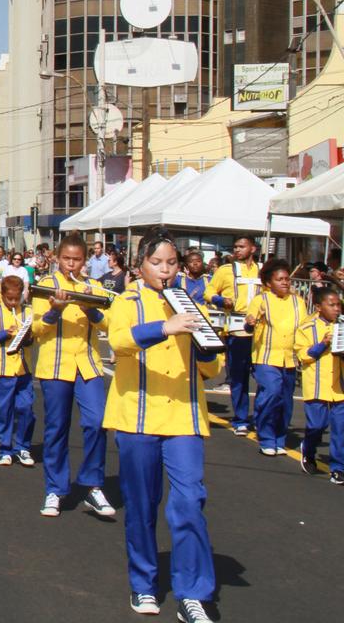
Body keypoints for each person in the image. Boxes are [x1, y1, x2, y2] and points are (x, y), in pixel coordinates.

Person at [103, 228, 220, 622]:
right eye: (157, 263)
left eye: (172, 262)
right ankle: (143, 583)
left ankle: (192, 593)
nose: (166, 270)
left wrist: (207, 341)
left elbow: (212, 368)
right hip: (137, 417)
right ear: (141, 266)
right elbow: (118, 342)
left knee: (189, 502)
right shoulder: (126, 301)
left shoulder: (191, 305)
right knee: (141, 505)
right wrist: (163, 328)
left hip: (185, 416)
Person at [29, 234, 114, 519]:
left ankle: (92, 484)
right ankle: (55, 488)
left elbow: (110, 325)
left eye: (77, 259)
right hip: (55, 364)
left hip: (87, 364)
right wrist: (54, 312)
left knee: (97, 420)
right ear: (56, 257)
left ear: (85, 260)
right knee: (56, 427)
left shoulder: (93, 287)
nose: (72, 265)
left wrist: (92, 311)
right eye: (67, 259)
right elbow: (37, 330)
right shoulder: (45, 286)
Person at [244, 258, 306, 457]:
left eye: (287, 279)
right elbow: (249, 320)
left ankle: (280, 438)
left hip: (290, 358)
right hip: (266, 357)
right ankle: (267, 437)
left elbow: (305, 327)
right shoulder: (261, 300)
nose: (285, 283)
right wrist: (251, 322)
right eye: (280, 279)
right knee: (272, 392)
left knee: (285, 400)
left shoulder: (299, 301)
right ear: (269, 283)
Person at [206, 235, 262, 435]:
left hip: (261, 332)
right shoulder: (225, 270)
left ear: (252, 249)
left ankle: (260, 417)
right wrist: (221, 301)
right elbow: (209, 291)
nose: (237, 250)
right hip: (237, 331)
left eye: (241, 246)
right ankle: (240, 419)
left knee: (264, 378)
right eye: (235, 247)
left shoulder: (262, 270)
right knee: (239, 378)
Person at [0, 275, 36, 467]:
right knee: (4, 410)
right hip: (1, 369)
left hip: (23, 369)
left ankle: (23, 446)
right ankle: (5, 448)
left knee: (26, 407)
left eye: (16, 298)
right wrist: (5, 333)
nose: (13, 302)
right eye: (9, 298)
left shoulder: (28, 311)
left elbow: (33, 337)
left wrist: (27, 336)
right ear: (2, 294)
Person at [295, 285, 344, 483]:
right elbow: (303, 355)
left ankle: (338, 467)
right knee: (317, 425)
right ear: (318, 307)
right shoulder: (307, 328)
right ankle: (308, 448)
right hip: (316, 385)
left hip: (339, 387)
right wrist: (323, 343)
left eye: (338, 305)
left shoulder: (341, 326)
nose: (336, 309)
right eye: (331, 305)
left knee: (340, 429)